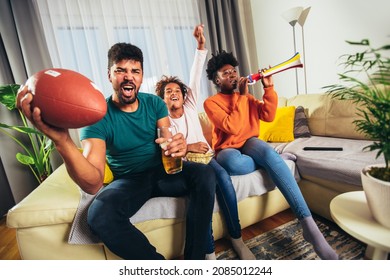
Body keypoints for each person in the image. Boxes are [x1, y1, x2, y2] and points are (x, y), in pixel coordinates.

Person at [17, 42, 216, 260]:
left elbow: (166, 143)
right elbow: (93, 183)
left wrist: (178, 147)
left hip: (162, 172)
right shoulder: (97, 117)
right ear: (110, 75)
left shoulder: (155, 104)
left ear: (141, 77)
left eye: (135, 71)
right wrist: (62, 141)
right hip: (130, 181)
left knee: (205, 173)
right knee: (99, 216)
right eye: (120, 70)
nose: (128, 76)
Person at [203, 50, 339, 260]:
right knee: (234, 164)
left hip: (250, 142)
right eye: (225, 73)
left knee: (266, 151)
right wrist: (241, 96)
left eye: (233, 71)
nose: (231, 75)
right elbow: (232, 126)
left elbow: (268, 114)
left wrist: (268, 87)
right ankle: (274, 161)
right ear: (216, 80)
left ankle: (310, 228)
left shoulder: (246, 99)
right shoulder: (211, 103)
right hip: (227, 149)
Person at [156, 24, 255, 260]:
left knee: (224, 179)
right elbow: (167, 149)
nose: (173, 93)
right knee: (203, 192)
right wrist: (189, 147)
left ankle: (237, 238)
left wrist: (201, 46)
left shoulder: (190, 105)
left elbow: (195, 73)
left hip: (209, 159)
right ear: (162, 99)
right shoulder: (163, 120)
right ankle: (209, 250)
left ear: (183, 94)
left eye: (177, 90)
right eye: (168, 92)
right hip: (190, 167)